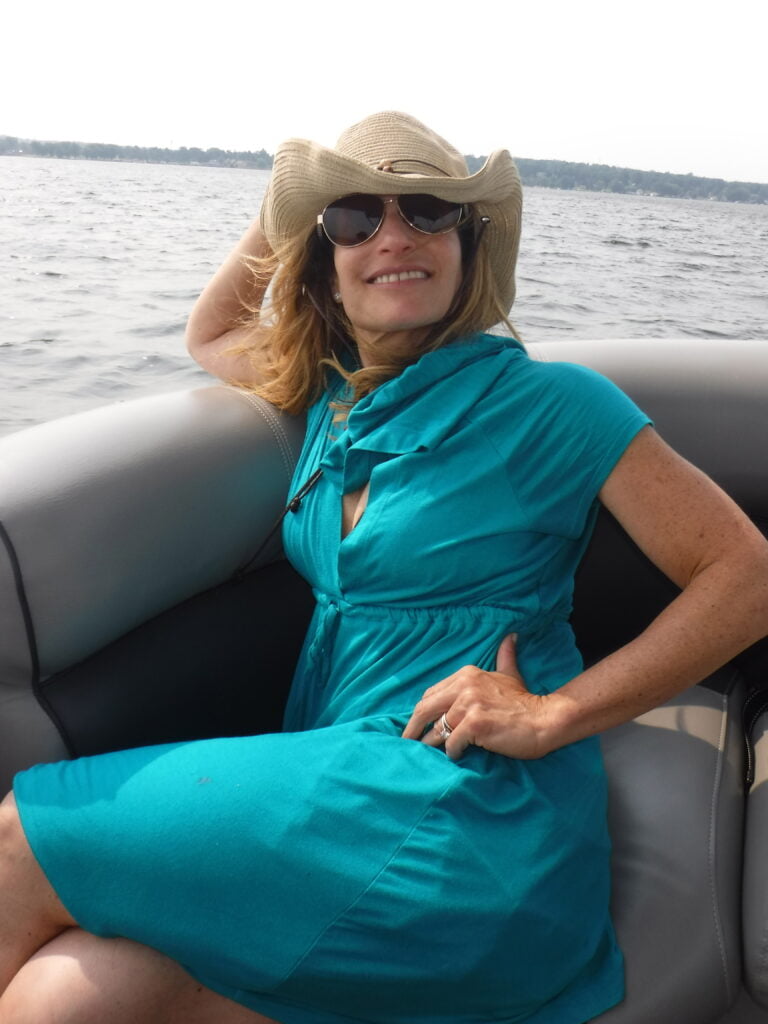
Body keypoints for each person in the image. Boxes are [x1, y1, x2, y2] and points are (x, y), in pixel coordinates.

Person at [1, 111, 767, 1024]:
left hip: (465, 806)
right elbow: (212, 333)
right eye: (355, 218)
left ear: (466, 242)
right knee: (69, 995)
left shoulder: (554, 404)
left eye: (431, 210)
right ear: (322, 264)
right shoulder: (335, 399)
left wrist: (559, 710)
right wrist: (294, 198)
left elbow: (747, 576)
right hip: (347, 776)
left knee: (20, 838)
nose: (395, 235)